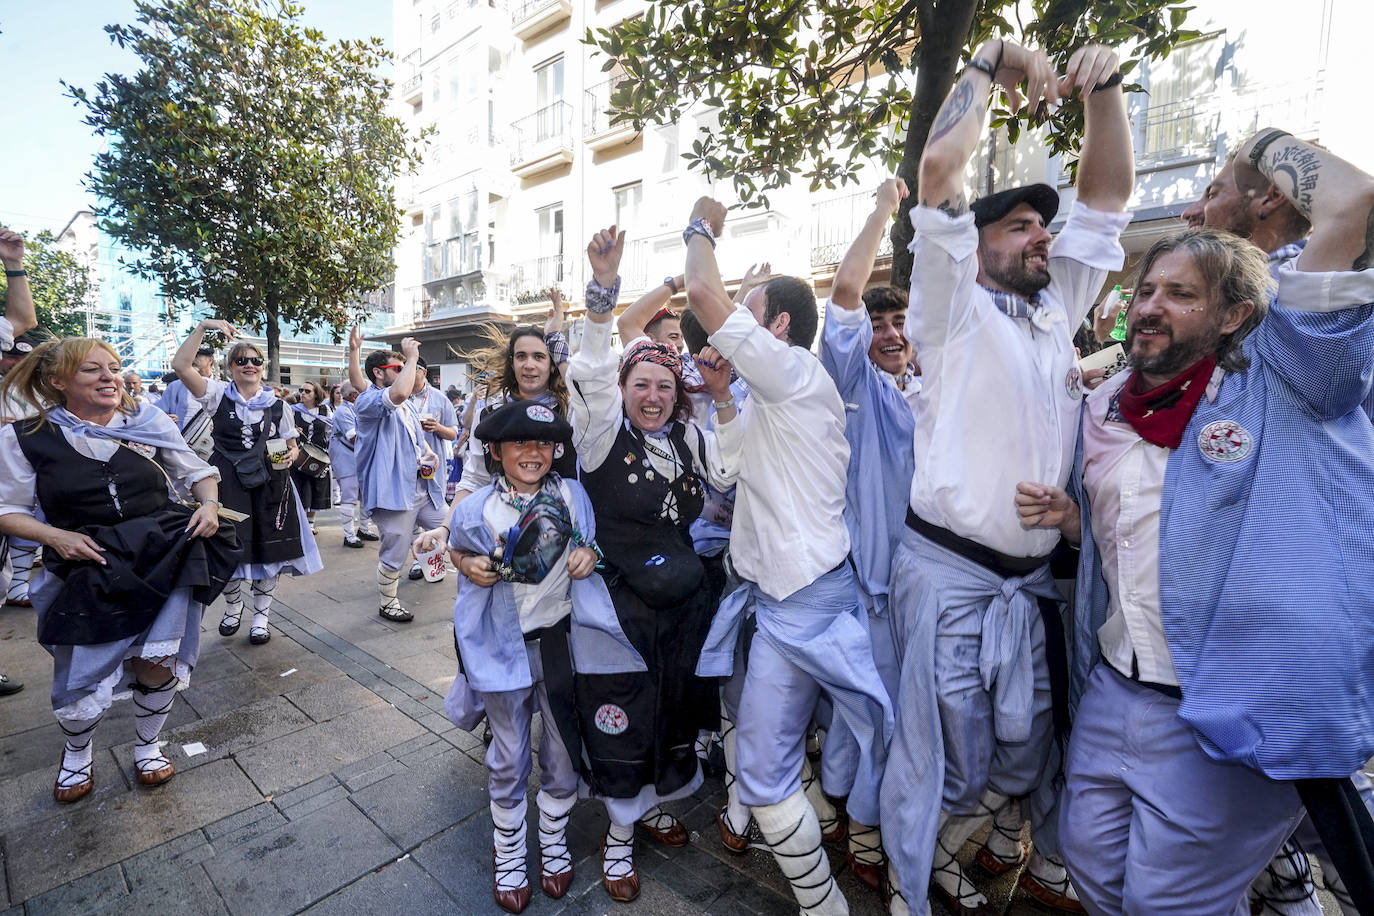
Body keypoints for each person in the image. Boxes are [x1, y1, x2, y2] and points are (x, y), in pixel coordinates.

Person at [1015, 131, 1374, 915]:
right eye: (1147, 290)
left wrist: (1261, 149)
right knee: (1093, 866)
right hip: (1112, 690)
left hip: (1224, 709)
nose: (1150, 307)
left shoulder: (1282, 378)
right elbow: (1135, 536)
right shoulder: (1107, 405)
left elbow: (1351, 202)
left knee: (1170, 902)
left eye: (1181, 295)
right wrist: (1079, 521)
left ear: (1234, 315)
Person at [879, 39, 1134, 915]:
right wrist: (991, 60)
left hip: (1028, 590)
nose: (1042, 237)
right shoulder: (952, 310)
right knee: (945, 758)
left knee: (1024, 754)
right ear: (977, 245)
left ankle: (973, 845)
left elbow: (1107, 197)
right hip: (948, 582)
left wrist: (1104, 89)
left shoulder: (1054, 308)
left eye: (1042, 227)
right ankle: (916, 879)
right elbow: (940, 163)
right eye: (1021, 227)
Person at [684, 201, 893, 916]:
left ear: (774, 330)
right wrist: (720, 398)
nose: (727, 329)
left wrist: (700, 228)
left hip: (807, 607)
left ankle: (831, 896)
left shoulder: (799, 378)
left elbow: (704, 298)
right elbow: (727, 475)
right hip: (778, 607)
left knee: (781, 769)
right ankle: (822, 896)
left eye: (749, 314)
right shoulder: (771, 397)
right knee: (771, 768)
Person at [1180, 148, 1369, 916]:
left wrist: (1257, 144)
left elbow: (1356, 198)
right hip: (1243, 619)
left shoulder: (1295, 288)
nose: (1194, 209)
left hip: (1298, 625)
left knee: (1339, 823)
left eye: (1215, 190)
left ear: (1267, 204)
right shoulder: (1235, 304)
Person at [566, 226, 742, 903]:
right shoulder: (602, 430)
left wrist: (723, 399)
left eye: (664, 385)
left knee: (674, 711)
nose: (653, 396)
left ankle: (659, 805)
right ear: (624, 387)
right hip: (619, 607)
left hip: (681, 604)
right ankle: (616, 841)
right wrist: (604, 294)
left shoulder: (689, 436)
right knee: (628, 713)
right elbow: (588, 370)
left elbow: (729, 468)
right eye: (641, 383)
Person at [0, 337, 237, 800]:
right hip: (87, 565)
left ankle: (148, 746)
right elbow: (7, 509)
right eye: (92, 370)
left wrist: (209, 504)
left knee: (157, 659)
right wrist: (56, 537)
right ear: (57, 381)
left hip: (164, 555)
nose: (109, 377)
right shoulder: (24, 437)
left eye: (112, 367)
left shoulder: (145, 420)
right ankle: (77, 752)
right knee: (84, 671)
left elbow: (196, 472)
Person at [441, 399, 641, 914]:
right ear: (495, 450)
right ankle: (508, 849)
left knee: (560, 748)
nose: (532, 453)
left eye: (543, 444)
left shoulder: (572, 496)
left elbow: (590, 543)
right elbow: (455, 549)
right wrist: (466, 563)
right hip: (502, 646)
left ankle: (552, 839)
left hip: (558, 644)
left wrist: (587, 555)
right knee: (508, 752)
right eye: (518, 444)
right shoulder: (474, 508)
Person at [813, 177, 922, 892]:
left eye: (899, 323)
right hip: (870, 589)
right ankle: (863, 828)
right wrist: (886, 209)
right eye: (878, 326)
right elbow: (849, 293)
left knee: (908, 719)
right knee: (870, 717)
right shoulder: (854, 388)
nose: (887, 335)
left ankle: (861, 814)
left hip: (932, 591)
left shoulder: (936, 390)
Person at [173, 319, 322, 645]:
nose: (250, 365)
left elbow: (291, 448)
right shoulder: (215, 394)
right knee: (227, 548)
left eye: (255, 360)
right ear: (230, 366)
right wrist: (203, 326)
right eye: (242, 360)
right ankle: (232, 606)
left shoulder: (279, 405)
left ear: (263, 366)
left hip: (270, 484)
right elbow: (181, 365)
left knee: (269, 553)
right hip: (226, 483)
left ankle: (261, 617)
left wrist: (289, 456)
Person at [346, 331, 446, 622]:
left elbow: (417, 436)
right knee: (394, 550)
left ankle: (427, 564)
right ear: (379, 373)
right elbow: (398, 393)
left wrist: (430, 453)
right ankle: (387, 602)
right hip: (392, 491)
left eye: (406, 368)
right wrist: (412, 356)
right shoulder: (368, 401)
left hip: (422, 487)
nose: (407, 373)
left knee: (453, 525)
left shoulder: (409, 405)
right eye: (398, 369)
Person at [452, 310, 575, 505]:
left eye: (539, 357)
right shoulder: (488, 416)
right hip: (500, 529)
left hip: (559, 527)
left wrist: (556, 340)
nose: (529, 365)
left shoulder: (570, 412)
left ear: (552, 365)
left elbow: (588, 396)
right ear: (512, 363)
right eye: (521, 356)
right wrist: (445, 528)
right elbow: (473, 480)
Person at [404, 359, 457, 579]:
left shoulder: (439, 399)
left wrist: (438, 428)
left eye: (410, 368)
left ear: (423, 372)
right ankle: (419, 563)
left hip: (432, 470)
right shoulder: (398, 396)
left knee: (438, 516)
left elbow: (454, 432)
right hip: (405, 469)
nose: (405, 373)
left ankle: (433, 564)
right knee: (408, 519)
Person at [331, 382, 378, 548]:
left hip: (360, 458)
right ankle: (349, 535)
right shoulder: (343, 411)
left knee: (366, 495)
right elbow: (353, 436)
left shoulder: (356, 408)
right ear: (354, 395)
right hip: (346, 459)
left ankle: (363, 529)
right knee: (349, 496)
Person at [290, 380, 333, 534]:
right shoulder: (293, 410)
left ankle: (310, 523)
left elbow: (330, 432)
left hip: (318, 456)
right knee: (299, 487)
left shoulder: (325, 410)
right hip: (299, 457)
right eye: (301, 390)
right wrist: (294, 431)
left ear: (316, 394)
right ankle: (298, 523)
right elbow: (285, 430)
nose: (303, 393)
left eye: (307, 391)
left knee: (316, 488)